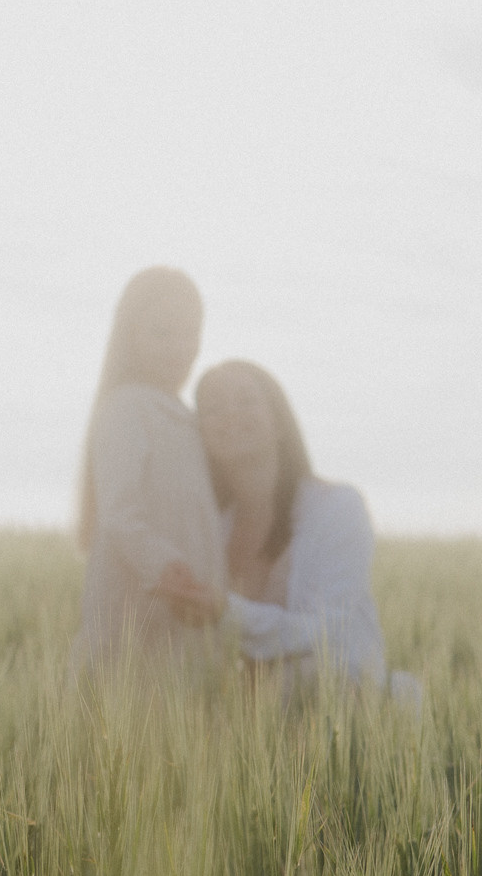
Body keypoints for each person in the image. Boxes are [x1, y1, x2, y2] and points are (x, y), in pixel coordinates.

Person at [161, 359, 415, 705]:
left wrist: (225, 613)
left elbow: (324, 632)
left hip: (344, 711)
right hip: (244, 722)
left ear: (278, 420)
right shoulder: (209, 530)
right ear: (200, 434)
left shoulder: (336, 508)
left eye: (246, 400)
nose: (230, 413)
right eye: (213, 407)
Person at [71, 267, 228, 675]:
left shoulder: (186, 417)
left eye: (190, 333)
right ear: (130, 336)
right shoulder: (126, 408)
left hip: (183, 614)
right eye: (161, 333)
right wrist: (166, 566)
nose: (179, 348)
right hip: (135, 612)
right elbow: (120, 514)